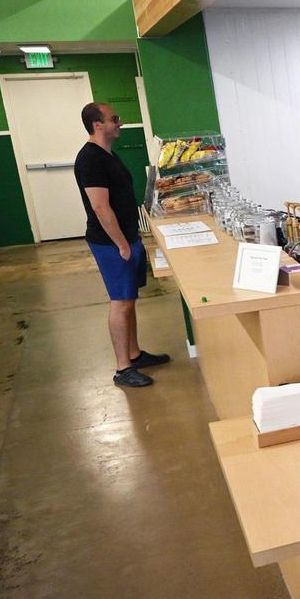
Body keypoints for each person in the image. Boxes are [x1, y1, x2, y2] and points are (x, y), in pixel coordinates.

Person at [74, 102, 170, 388]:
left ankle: (134, 353)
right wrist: (121, 245)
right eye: (114, 119)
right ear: (97, 125)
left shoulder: (107, 155)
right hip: (111, 243)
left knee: (129, 301)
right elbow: (101, 208)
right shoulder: (90, 159)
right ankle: (122, 368)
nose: (120, 123)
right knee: (120, 302)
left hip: (126, 237)